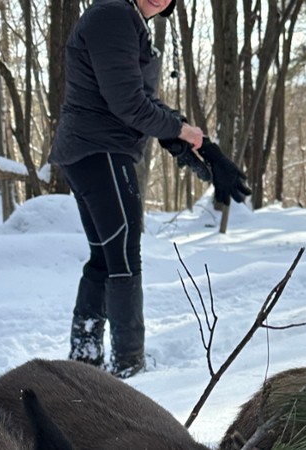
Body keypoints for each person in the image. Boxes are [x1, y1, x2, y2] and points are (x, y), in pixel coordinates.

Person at [49, 0, 250, 378]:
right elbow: (127, 102)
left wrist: (192, 139)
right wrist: (181, 131)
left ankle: (85, 358)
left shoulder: (125, 19)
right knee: (123, 258)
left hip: (91, 151)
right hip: (101, 149)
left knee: (106, 259)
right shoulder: (115, 14)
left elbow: (139, 98)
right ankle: (128, 365)